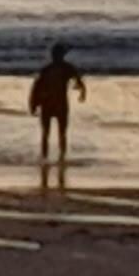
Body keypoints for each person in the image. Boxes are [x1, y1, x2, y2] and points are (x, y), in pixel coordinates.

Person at [29, 43, 87, 183]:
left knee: (49, 133)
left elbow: (36, 88)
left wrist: (33, 104)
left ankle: (48, 158)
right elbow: (79, 80)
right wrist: (82, 91)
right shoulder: (65, 68)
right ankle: (58, 157)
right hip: (57, 105)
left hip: (49, 105)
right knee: (58, 133)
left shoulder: (48, 69)